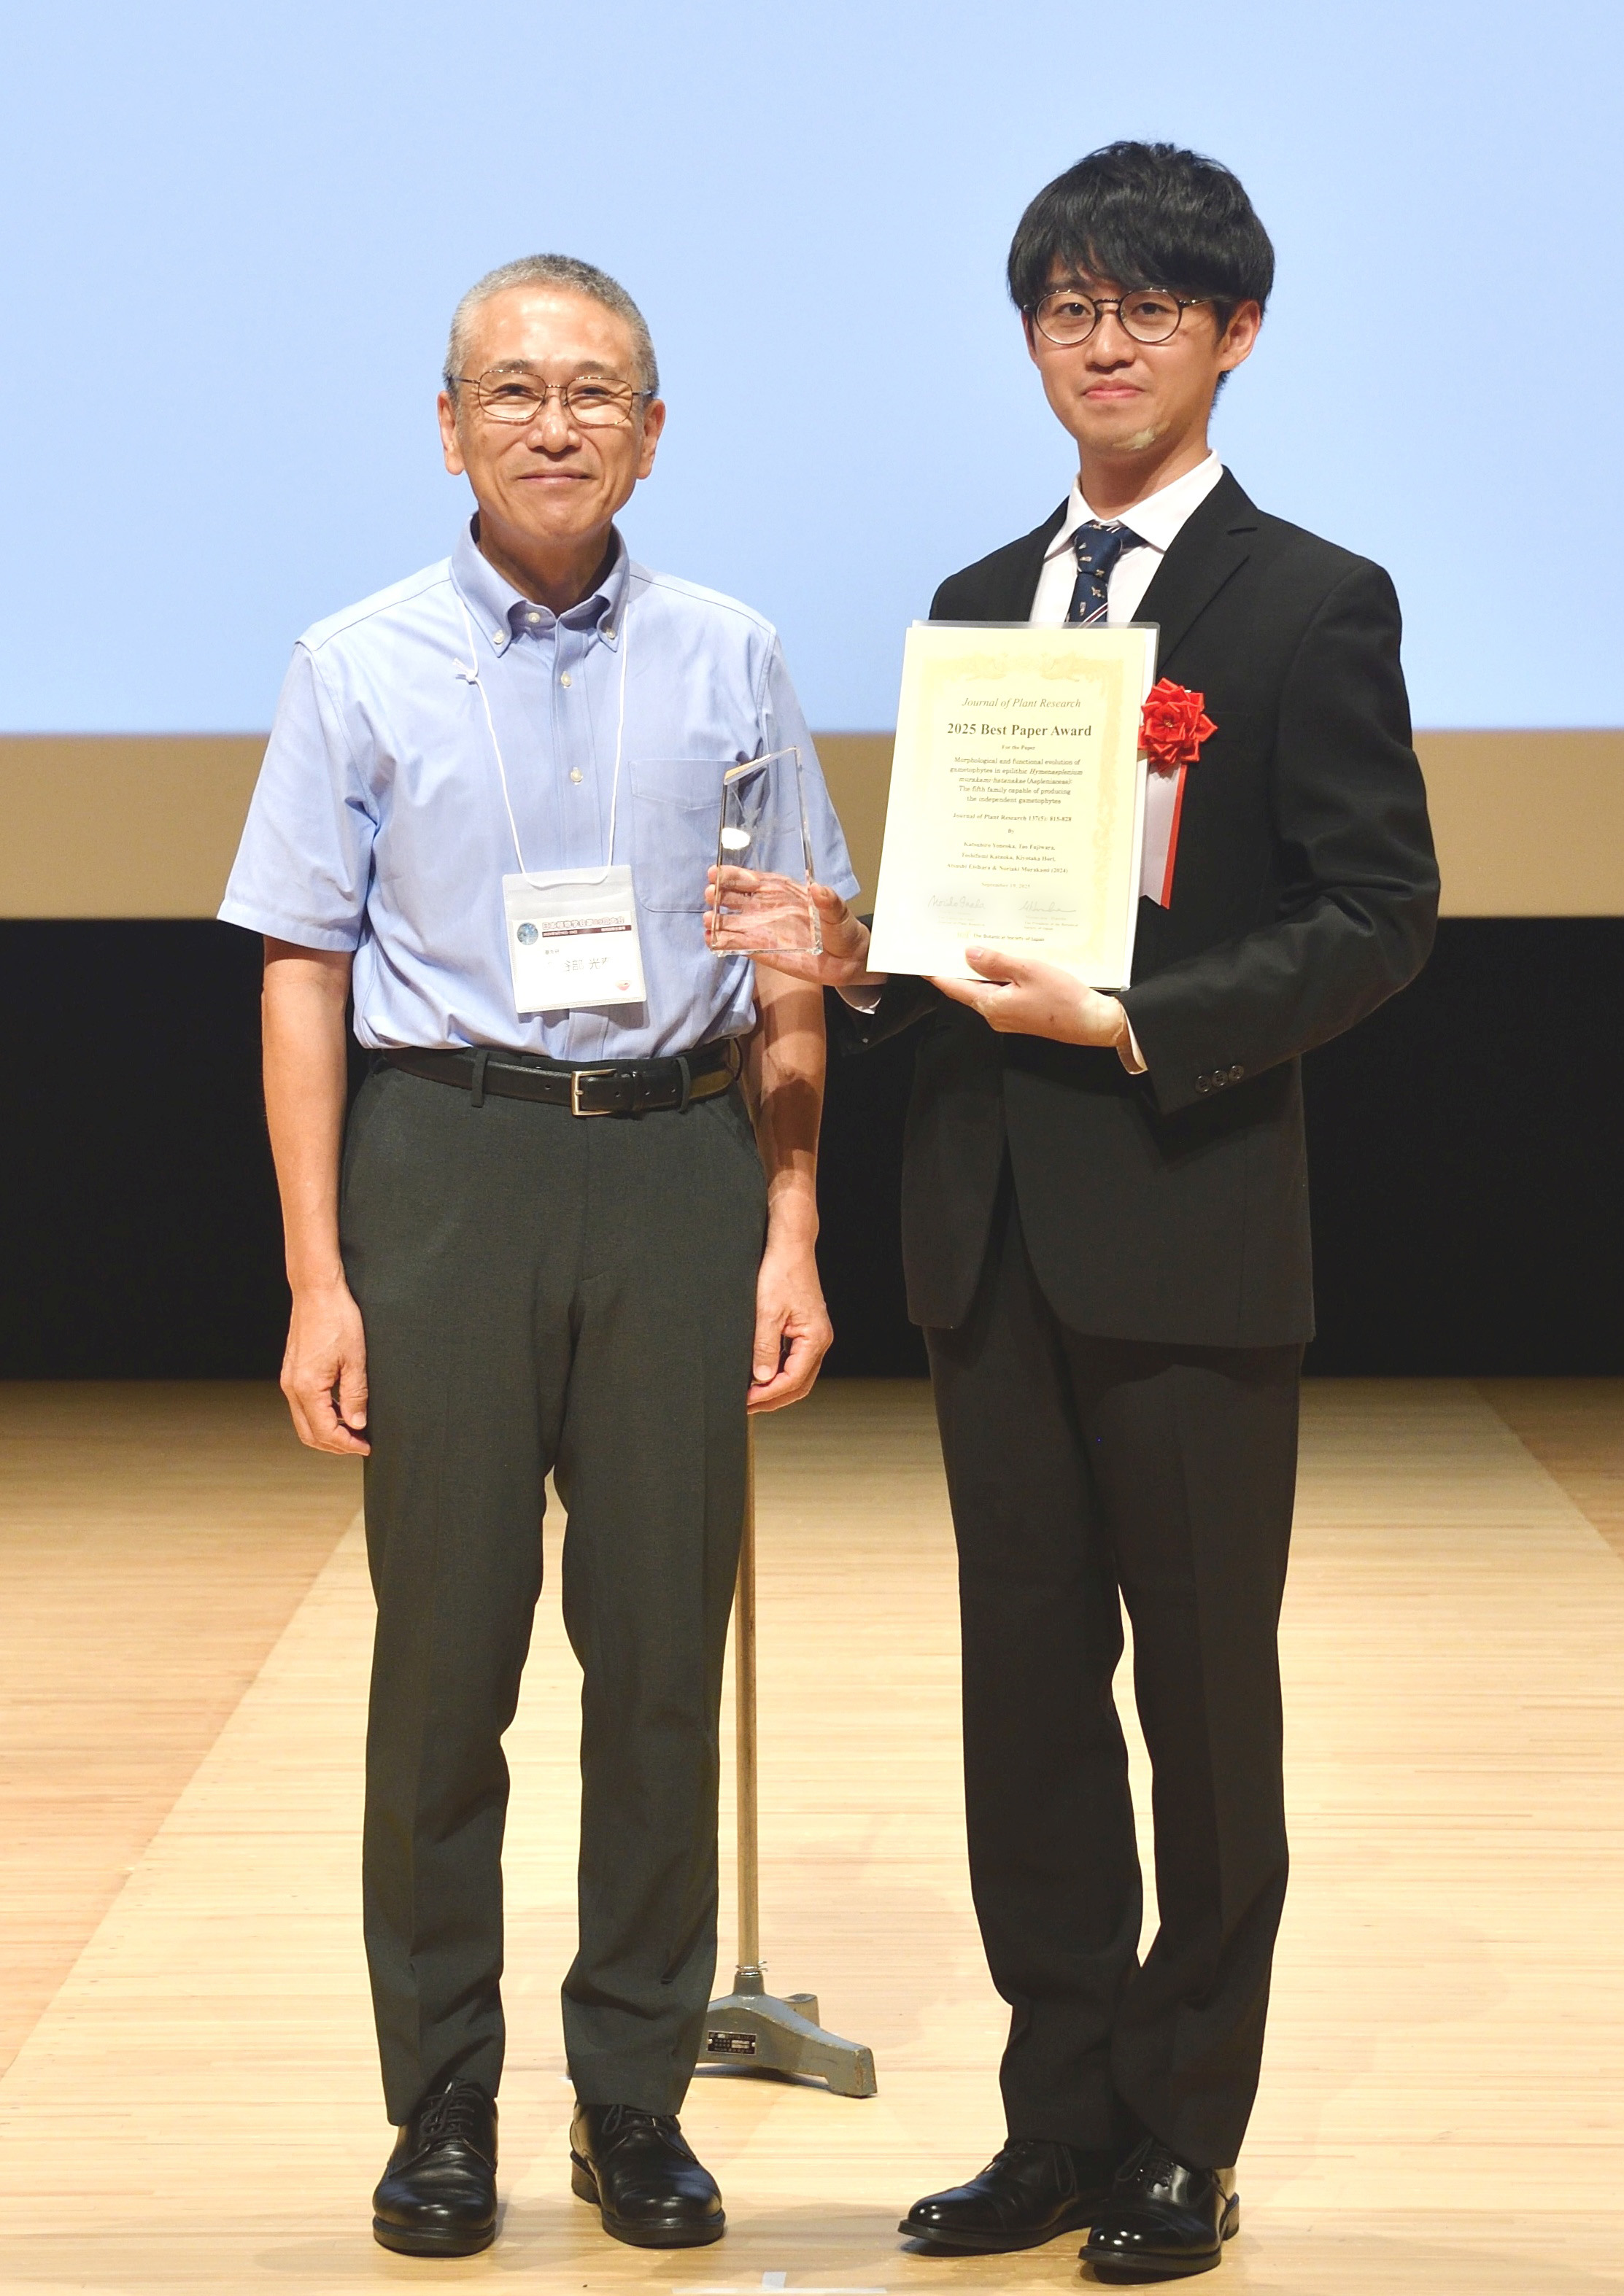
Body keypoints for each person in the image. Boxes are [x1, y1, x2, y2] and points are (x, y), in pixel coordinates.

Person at [749, 144, 1437, 2281]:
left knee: (1204, 1711)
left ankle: (1181, 2137)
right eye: (1065, 303)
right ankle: (1054, 2117)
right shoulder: (972, 602)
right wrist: (860, 957)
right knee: (1023, 1697)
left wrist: (1135, 1018)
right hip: (986, 1234)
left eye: (1146, 305)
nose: (1101, 339)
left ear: (1232, 333)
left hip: (1191, 1223)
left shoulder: (1308, 600)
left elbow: (1377, 915)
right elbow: (972, 928)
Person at [219, 252, 857, 2260]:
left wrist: (791, 1223)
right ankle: (438, 2109)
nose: (555, 420)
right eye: (514, 388)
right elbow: (303, 968)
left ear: (654, 431)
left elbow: (794, 959)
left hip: (675, 1168)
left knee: (662, 1665)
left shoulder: (735, 654)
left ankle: (636, 2099)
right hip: (450, 1169)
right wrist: (322, 1274)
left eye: (595, 390)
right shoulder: (356, 659)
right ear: (448, 425)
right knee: (442, 1674)